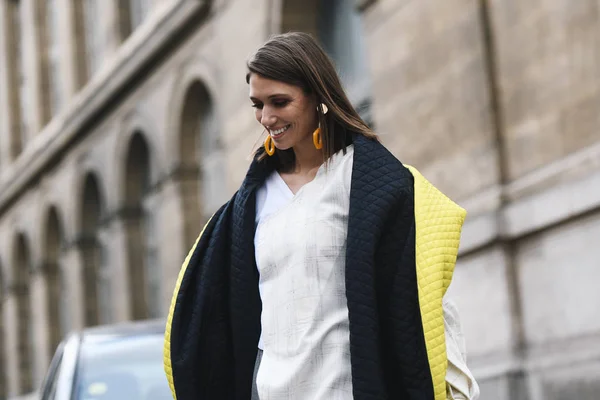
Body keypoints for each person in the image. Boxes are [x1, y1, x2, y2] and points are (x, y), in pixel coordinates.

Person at [163, 32, 480, 400]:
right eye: (257, 104)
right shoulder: (247, 205)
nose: (266, 117)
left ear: (317, 97)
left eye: (279, 102)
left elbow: (418, 294)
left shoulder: (368, 183)